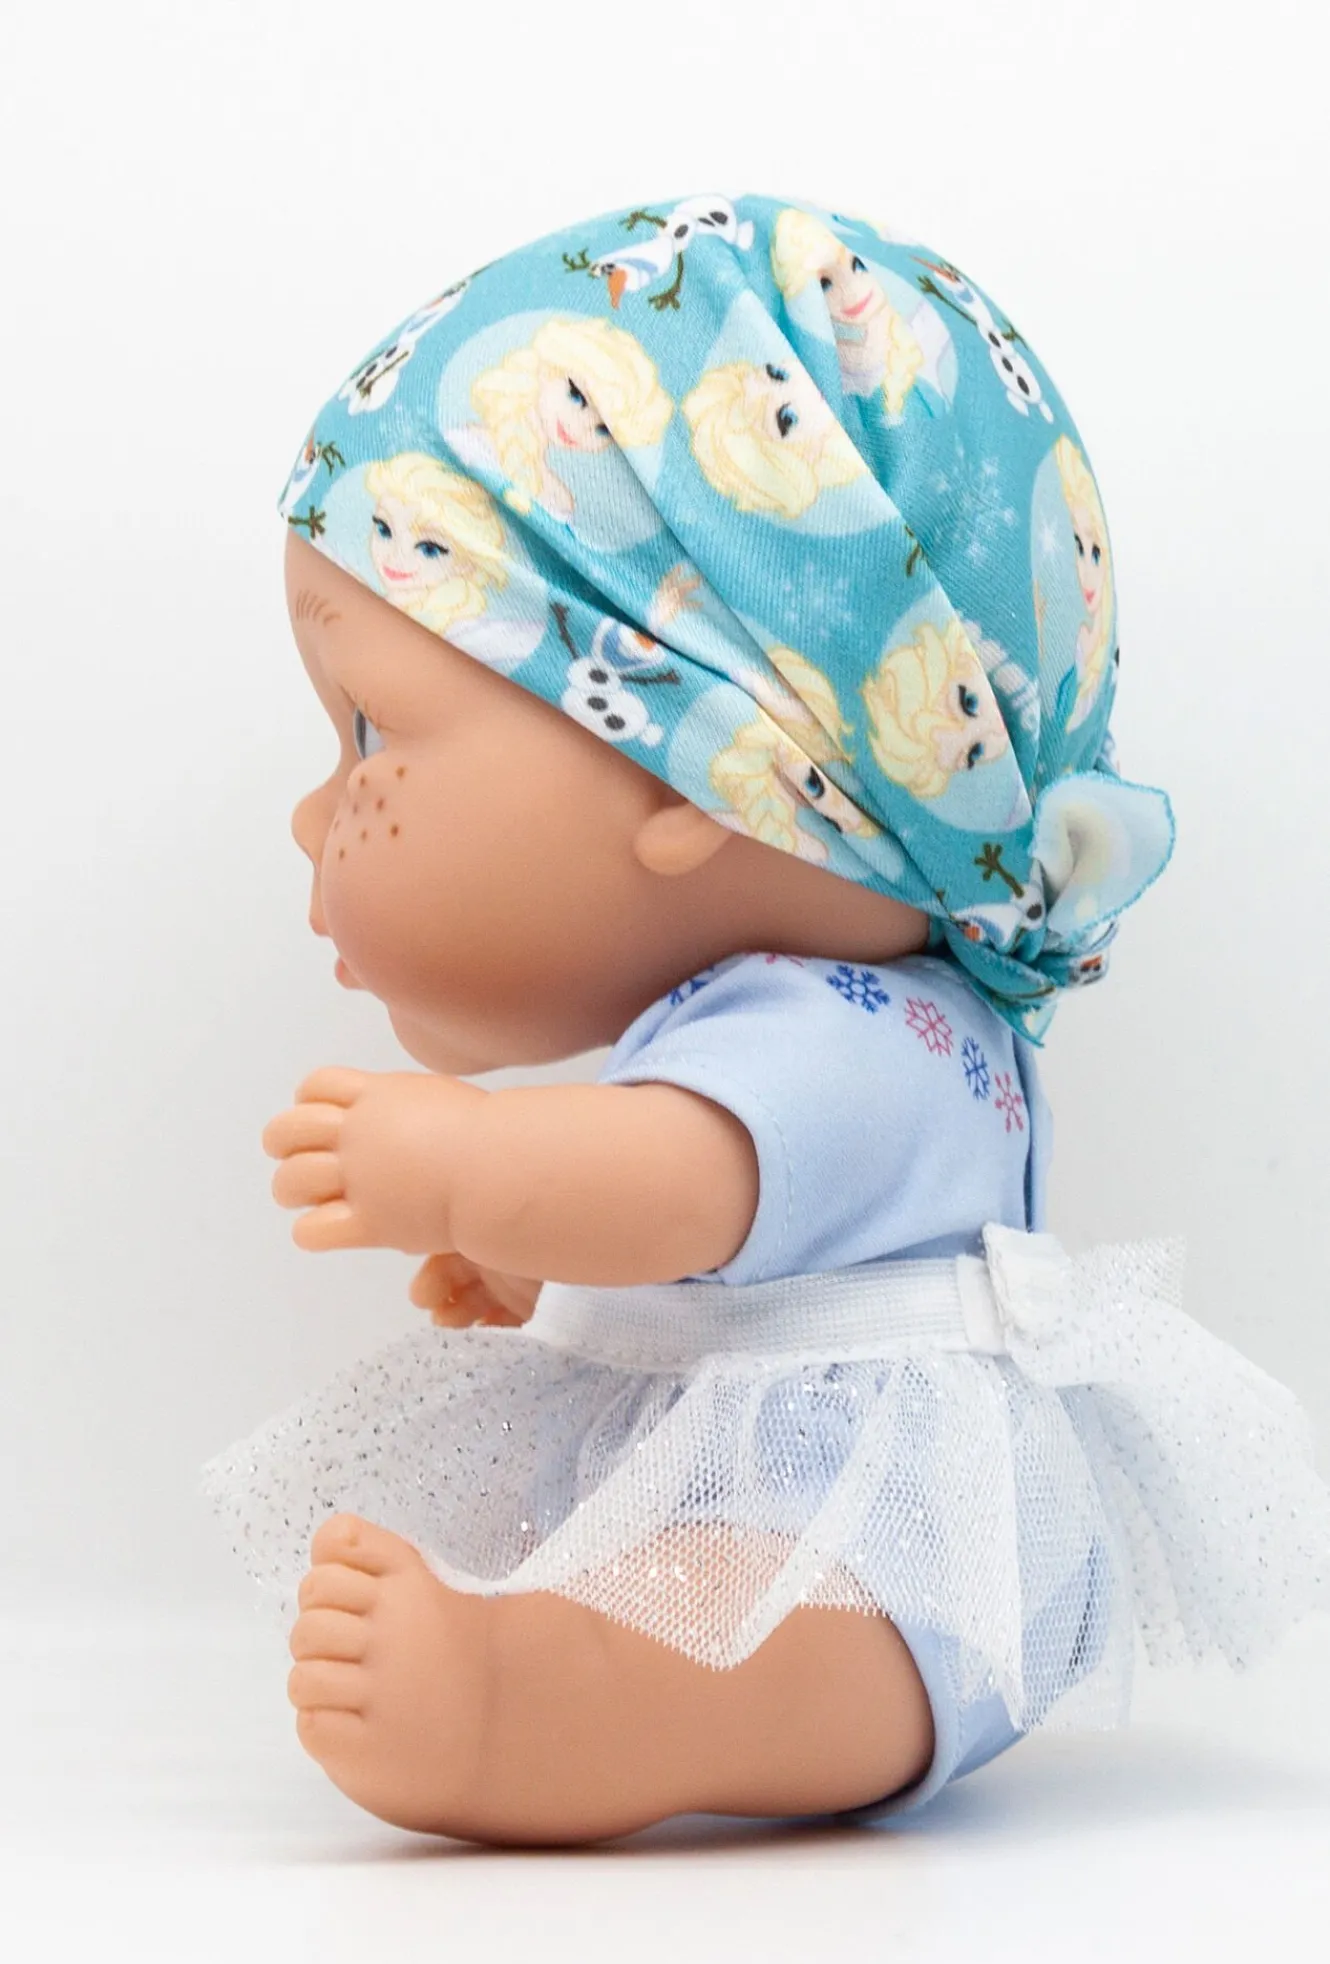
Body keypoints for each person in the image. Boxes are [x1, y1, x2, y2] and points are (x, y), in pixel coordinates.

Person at [204, 189, 1330, 1847]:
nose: (319, 813)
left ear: (703, 763)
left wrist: (476, 1168)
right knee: (701, 1579)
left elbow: (693, 1184)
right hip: (782, 1468)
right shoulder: (788, 1012)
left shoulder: (846, 1027)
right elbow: (721, 1217)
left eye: (374, 729)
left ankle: (560, 1706)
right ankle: (576, 1671)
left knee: (770, 1628)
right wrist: (538, 1248)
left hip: (901, 1540)